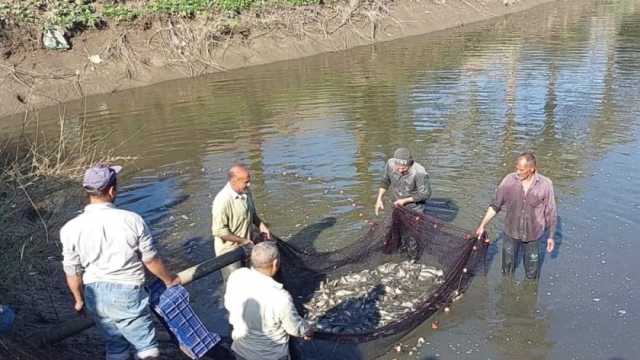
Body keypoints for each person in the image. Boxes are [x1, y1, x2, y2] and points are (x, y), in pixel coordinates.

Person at [60, 164, 180, 360]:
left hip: (94, 294)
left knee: (115, 346)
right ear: (111, 190)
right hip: (127, 291)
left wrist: (79, 300)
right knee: (146, 347)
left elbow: (72, 271)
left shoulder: (70, 228)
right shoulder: (132, 220)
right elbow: (150, 259)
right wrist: (169, 279)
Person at [475, 152, 557, 280]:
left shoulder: (545, 185)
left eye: (522, 170)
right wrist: (482, 225)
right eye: (517, 168)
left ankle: (528, 296)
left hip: (533, 235)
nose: (517, 172)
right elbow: (495, 205)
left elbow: (551, 212)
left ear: (532, 169)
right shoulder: (509, 180)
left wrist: (551, 237)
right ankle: (507, 292)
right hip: (511, 232)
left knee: (532, 273)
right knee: (506, 270)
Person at [224, 241, 312, 360]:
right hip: (270, 355)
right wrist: (307, 330)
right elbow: (294, 329)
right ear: (275, 263)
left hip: (241, 351)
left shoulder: (237, 276)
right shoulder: (280, 297)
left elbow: (228, 305)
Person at [212, 164, 271, 282]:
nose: (249, 185)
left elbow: (252, 214)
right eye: (246, 182)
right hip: (229, 252)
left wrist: (262, 226)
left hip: (247, 245)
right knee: (234, 285)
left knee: (251, 281)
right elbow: (219, 232)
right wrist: (242, 241)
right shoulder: (222, 200)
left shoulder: (246, 192)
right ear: (234, 180)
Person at [375, 147, 432, 215]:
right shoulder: (390, 163)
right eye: (398, 168)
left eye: (404, 168)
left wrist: (404, 201)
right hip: (397, 202)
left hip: (415, 207)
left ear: (410, 165)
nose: (400, 170)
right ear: (394, 163)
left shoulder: (420, 172)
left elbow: (425, 195)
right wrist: (379, 199)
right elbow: (385, 181)